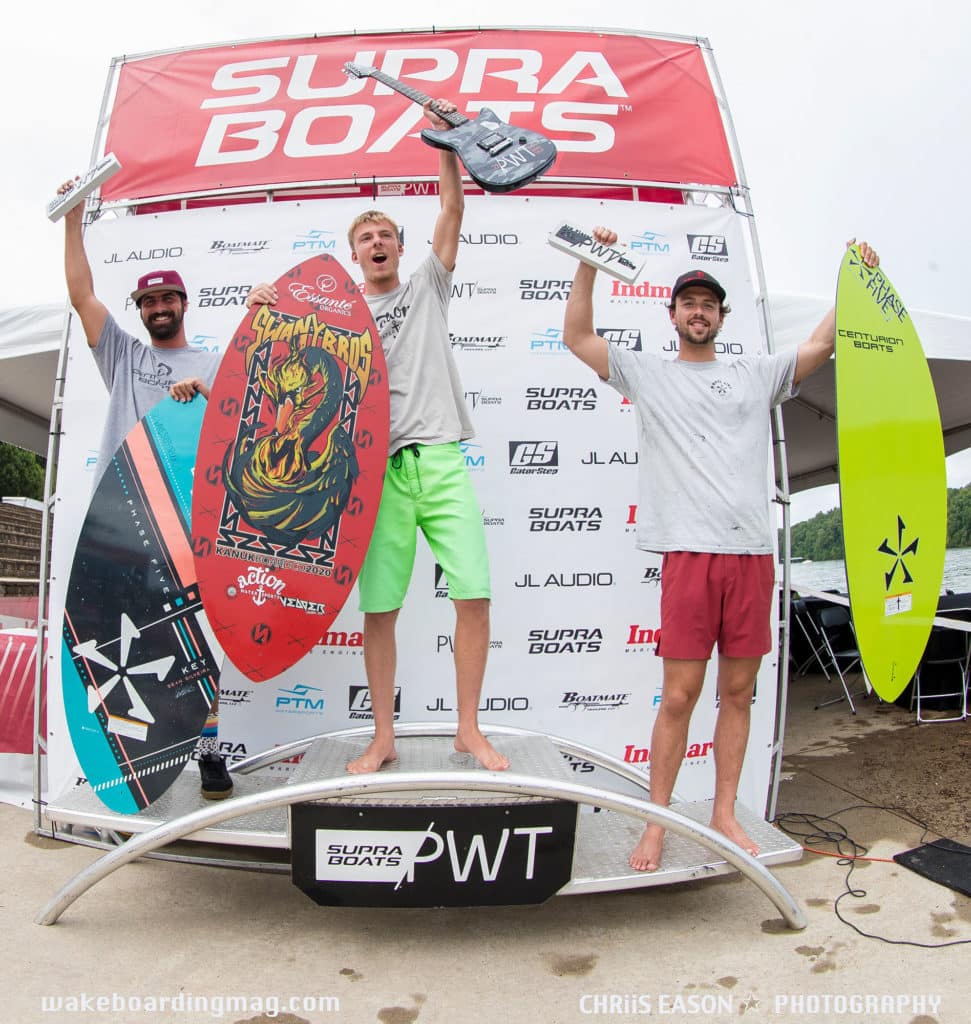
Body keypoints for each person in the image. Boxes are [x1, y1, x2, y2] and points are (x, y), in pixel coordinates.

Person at [562, 227, 878, 871]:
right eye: (688, 303)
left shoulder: (756, 375)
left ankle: (725, 812)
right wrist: (589, 262)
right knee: (678, 697)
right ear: (672, 315)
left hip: (752, 558)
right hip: (688, 556)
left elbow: (820, 343)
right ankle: (657, 821)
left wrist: (854, 282)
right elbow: (577, 338)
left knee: (738, 694)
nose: (698, 312)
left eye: (708, 303)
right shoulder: (649, 373)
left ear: (720, 317)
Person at [246, 99, 510, 774]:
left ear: (398, 242)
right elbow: (281, 361)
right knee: (381, 611)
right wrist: (261, 306)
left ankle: (469, 730)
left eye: (386, 234)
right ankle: (383, 738)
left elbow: (451, 212)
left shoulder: (427, 286)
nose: (377, 244)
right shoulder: (339, 314)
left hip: (441, 458)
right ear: (354, 254)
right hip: (376, 474)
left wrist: (449, 142)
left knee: (474, 596)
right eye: (365, 238)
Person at [59, 179, 231, 799]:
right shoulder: (124, 358)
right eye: (148, 300)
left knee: (192, 643)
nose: (158, 306)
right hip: (122, 519)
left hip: (186, 523)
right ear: (140, 310)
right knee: (113, 642)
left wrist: (202, 396)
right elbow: (82, 295)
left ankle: (210, 751)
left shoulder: (212, 365)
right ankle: (120, 756)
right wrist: (74, 215)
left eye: (167, 297)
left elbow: (238, 425)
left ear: (184, 303)